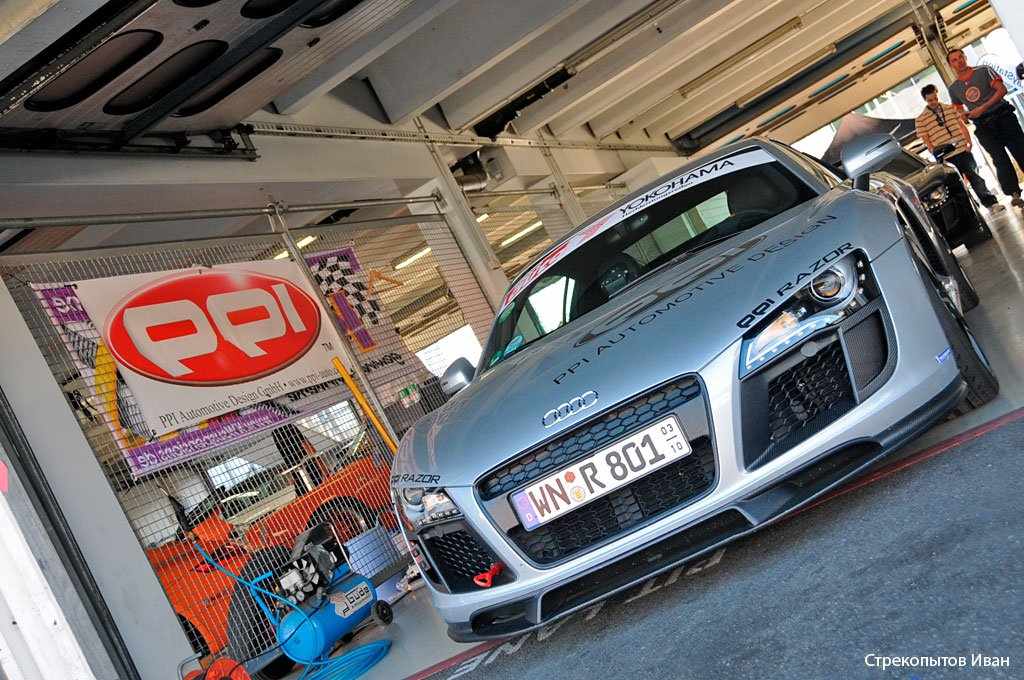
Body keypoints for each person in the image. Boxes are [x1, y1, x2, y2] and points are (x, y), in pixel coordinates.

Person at [947, 49, 1024, 208]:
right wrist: (964, 115)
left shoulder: (983, 70)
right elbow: (958, 108)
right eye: (954, 60)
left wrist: (983, 107)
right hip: (983, 126)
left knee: (1020, 150)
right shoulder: (954, 88)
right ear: (950, 65)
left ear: (965, 57)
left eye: (961, 57)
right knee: (999, 159)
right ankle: (1014, 193)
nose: (959, 61)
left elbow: (1002, 90)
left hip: (1003, 116)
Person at [915, 83, 1002, 212]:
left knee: (975, 177)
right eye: (930, 100)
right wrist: (935, 153)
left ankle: (991, 204)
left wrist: (969, 142)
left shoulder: (950, 108)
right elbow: (926, 140)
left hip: (962, 149)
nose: (934, 102)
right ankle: (970, 210)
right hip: (946, 156)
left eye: (935, 98)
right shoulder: (920, 120)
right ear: (925, 100)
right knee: (957, 185)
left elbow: (961, 125)